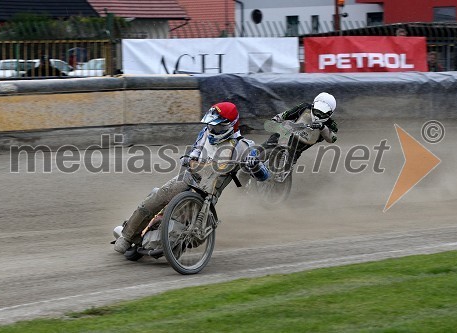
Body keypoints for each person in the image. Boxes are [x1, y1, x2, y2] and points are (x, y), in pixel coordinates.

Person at [114, 102, 269, 254]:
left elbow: (263, 176)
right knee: (156, 197)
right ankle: (127, 236)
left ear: (231, 125)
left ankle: (164, 241)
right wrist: (188, 158)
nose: (213, 129)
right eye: (211, 125)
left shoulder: (244, 146)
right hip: (188, 177)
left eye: (217, 126)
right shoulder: (205, 133)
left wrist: (254, 164)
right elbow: (194, 152)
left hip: (207, 192)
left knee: (176, 216)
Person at [265, 92, 338, 164]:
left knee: (289, 163)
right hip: (289, 132)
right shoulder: (304, 107)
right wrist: (274, 120)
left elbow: (332, 139)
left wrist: (322, 127)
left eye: (323, 114)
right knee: (272, 140)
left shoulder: (331, 124)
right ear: (313, 106)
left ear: (330, 114)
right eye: (317, 111)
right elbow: (286, 114)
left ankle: (283, 172)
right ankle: (258, 155)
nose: (318, 115)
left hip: (297, 149)